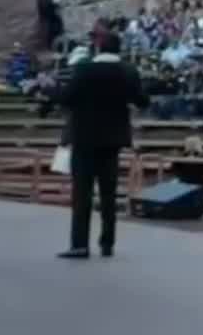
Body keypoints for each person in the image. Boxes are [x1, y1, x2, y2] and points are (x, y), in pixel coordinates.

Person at [55, 33, 147, 259]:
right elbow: (142, 100)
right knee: (108, 194)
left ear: (98, 48)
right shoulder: (128, 72)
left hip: (84, 138)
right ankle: (107, 243)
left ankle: (80, 245)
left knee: (82, 193)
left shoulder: (84, 70)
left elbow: (66, 98)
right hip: (112, 141)